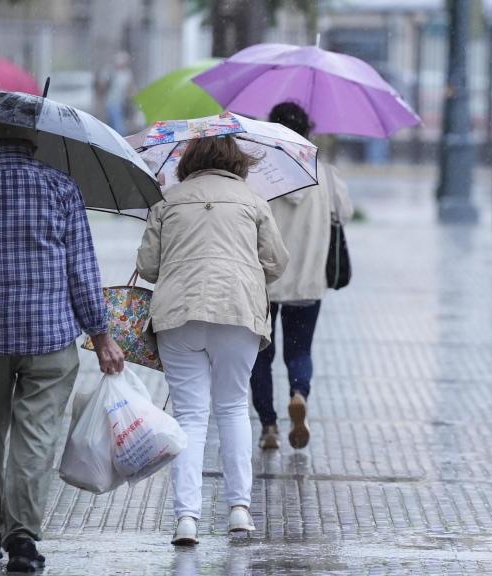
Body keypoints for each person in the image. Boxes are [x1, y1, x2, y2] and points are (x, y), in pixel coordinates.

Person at [0, 121, 125, 573]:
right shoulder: (61, 186)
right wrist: (101, 335)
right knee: (34, 439)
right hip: (49, 335)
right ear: (34, 141)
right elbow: (81, 271)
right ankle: (21, 540)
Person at [136, 136, 289, 546]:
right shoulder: (252, 200)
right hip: (237, 311)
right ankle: (240, 510)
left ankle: (187, 518)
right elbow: (276, 262)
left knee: (190, 417)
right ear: (237, 162)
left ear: (189, 161)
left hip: (178, 314)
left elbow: (147, 267)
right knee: (234, 407)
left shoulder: (167, 201)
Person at [250, 102, 353, 451]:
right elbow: (346, 213)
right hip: (308, 280)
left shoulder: (260, 174)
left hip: (262, 280)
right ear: (307, 131)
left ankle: (268, 426)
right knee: (300, 350)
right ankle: (298, 392)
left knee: (260, 354)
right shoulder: (325, 174)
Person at [100, 52, 134, 134]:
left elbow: (130, 87)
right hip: (111, 101)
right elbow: (101, 85)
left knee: (111, 125)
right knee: (119, 127)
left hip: (121, 103)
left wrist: (132, 98)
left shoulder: (127, 73)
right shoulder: (110, 71)